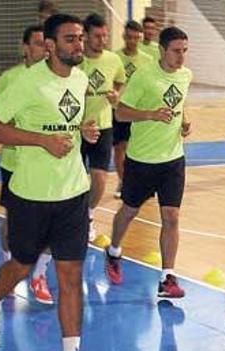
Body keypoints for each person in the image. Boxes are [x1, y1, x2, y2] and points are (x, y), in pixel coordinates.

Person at [0, 13, 100, 351]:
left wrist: (83, 130)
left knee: (70, 275)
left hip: (73, 193)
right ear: (49, 45)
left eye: (80, 38)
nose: (79, 45)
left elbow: (67, 122)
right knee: (20, 266)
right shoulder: (26, 82)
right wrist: (40, 140)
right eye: (70, 39)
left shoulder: (81, 80)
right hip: (31, 195)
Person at [103, 27, 192, 298]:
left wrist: (184, 120)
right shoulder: (143, 76)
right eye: (176, 51)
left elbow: (178, 104)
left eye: (185, 51)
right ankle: (114, 250)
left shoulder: (186, 76)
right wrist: (151, 114)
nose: (181, 57)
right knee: (129, 210)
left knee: (172, 216)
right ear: (162, 50)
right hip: (142, 159)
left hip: (173, 159)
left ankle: (168, 278)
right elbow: (122, 112)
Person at [0, 24, 55, 305]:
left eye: (46, 43)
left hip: (50, 166)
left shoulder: (58, 78)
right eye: (38, 43)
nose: (44, 49)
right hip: (15, 163)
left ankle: (39, 274)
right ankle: (8, 266)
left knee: (54, 226)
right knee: (13, 224)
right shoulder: (11, 79)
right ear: (26, 48)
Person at [80, 13, 126, 241]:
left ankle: (88, 216)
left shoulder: (112, 60)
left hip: (103, 126)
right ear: (85, 36)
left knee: (99, 178)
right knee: (74, 181)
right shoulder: (76, 61)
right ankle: (71, 217)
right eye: (97, 36)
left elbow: (120, 79)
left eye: (105, 36)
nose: (102, 40)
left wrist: (117, 93)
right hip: (76, 128)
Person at [113, 20, 154, 198]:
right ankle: (124, 181)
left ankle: (143, 182)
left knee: (139, 146)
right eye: (129, 37)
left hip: (140, 111)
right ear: (124, 36)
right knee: (120, 147)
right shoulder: (115, 58)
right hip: (120, 110)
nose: (132, 41)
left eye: (136, 38)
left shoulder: (147, 60)